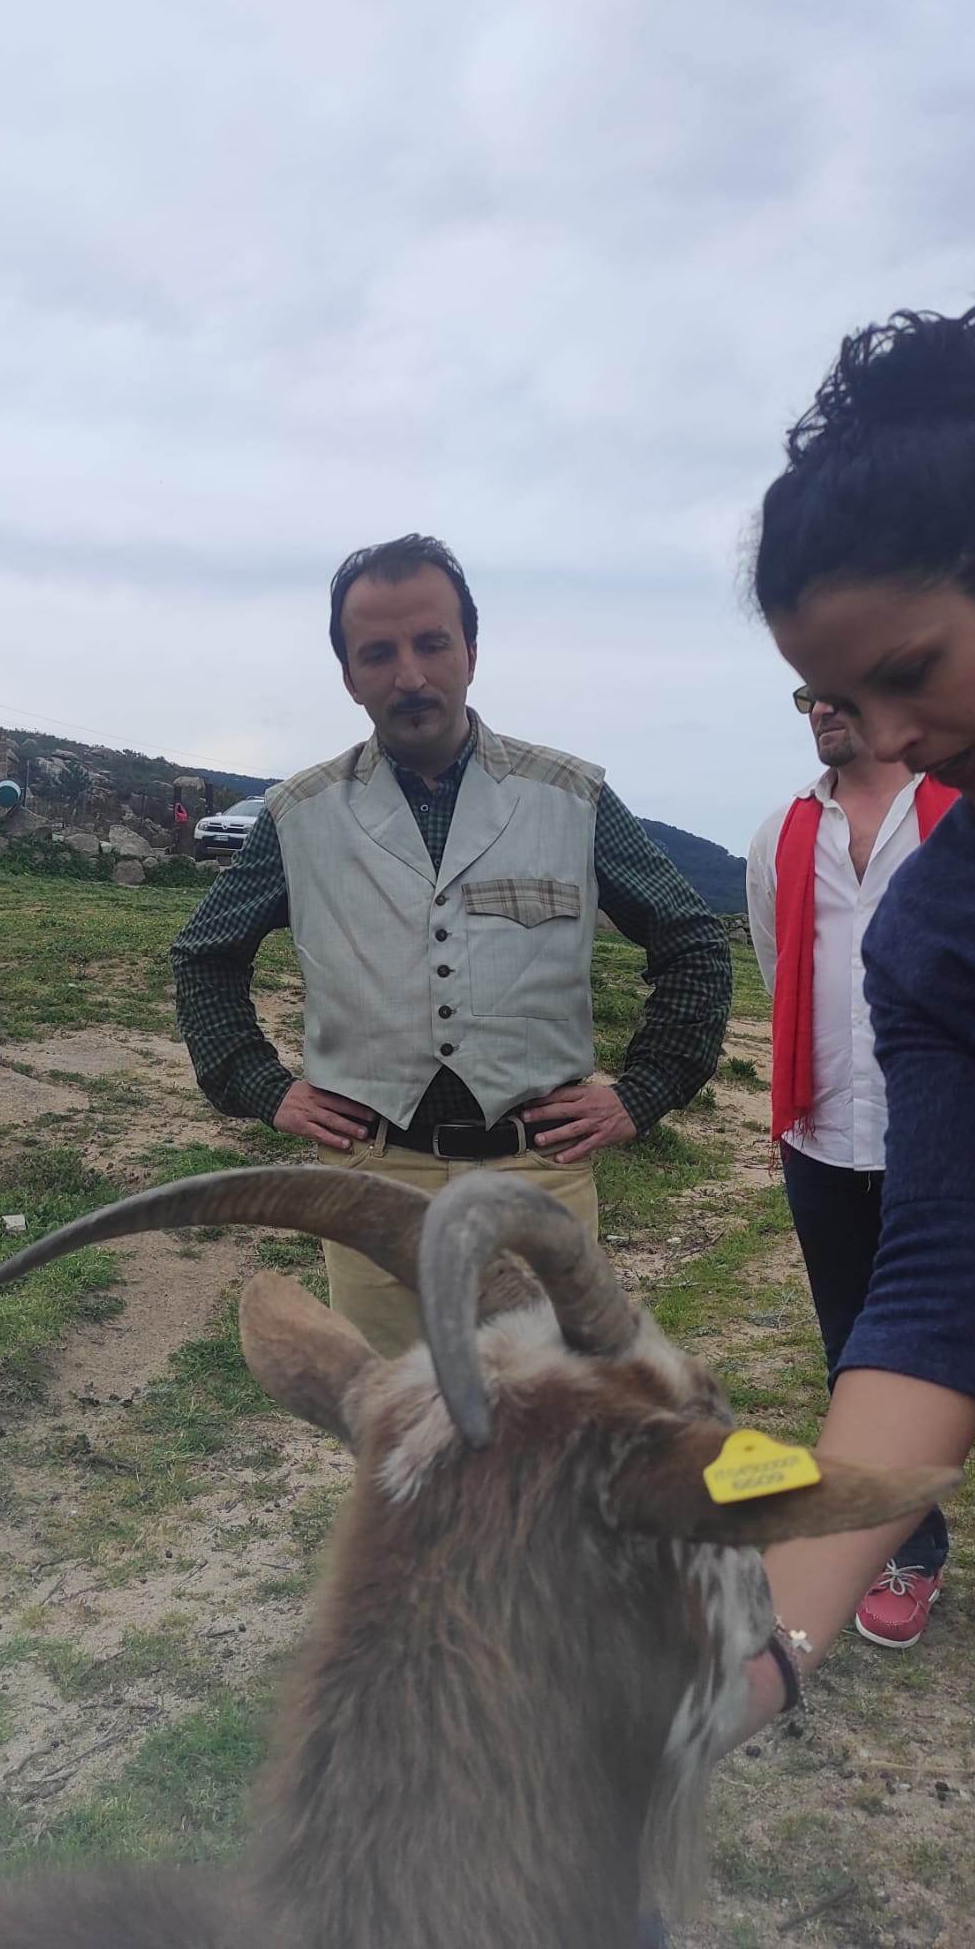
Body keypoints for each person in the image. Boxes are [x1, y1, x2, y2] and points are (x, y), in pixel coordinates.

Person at [736, 302, 975, 1944]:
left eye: (904, 673)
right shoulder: (945, 928)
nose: (885, 737)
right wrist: (762, 1646)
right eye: (835, 696)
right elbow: (943, 1290)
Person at [171, 533, 732, 1356]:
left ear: (471, 648)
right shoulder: (301, 815)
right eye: (378, 653)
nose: (410, 675)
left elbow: (693, 942)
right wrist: (261, 1086)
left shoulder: (569, 799)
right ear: (348, 674)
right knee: (398, 1435)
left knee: (548, 1429)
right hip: (370, 1180)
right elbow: (205, 955)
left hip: (536, 1178)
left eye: (432, 643)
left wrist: (640, 1094)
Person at [748, 688, 975, 1644]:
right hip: (830, 1140)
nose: (821, 707)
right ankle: (910, 1548)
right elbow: (780, 975)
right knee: (858, 1355)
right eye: (805, 692)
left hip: (974, 1151)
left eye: (842, 687)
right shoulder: (780, 835)